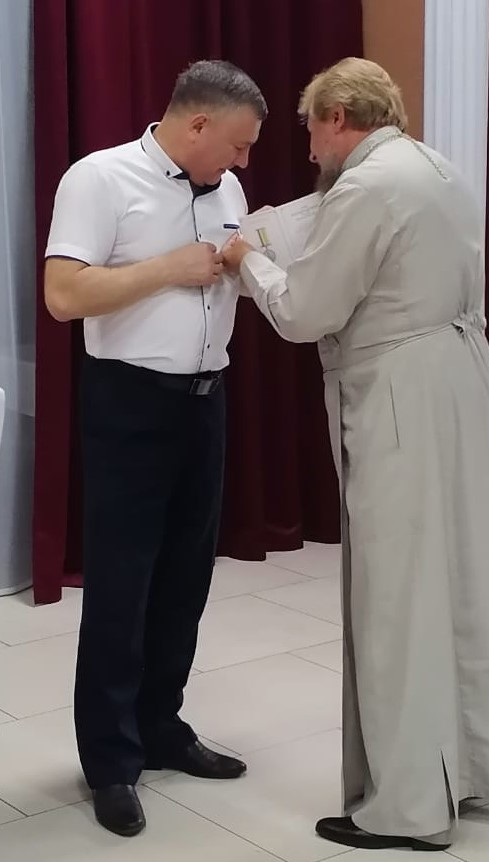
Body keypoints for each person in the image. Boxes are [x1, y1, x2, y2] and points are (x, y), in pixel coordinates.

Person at [222, 57, 489, 852]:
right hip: (463, 382)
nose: (309, 149)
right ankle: (473, 771)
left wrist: (247, 259)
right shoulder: (436, 168)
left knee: (399, 598)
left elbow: (304, 312)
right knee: (463, 581)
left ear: (338, 117)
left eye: (310, 130)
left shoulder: (367, 186)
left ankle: (409, 807)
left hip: (401, 391)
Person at [44, 60, 267, 837]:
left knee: (183, 579)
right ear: (196, 124)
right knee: (121, 585)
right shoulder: (99, 178)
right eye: (237, 145)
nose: (243, 163)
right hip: (129, 402)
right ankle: (110, 760)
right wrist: (168, 268)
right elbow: (64, 295)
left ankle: (161, 727)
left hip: (206, 402)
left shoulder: (227, 191)